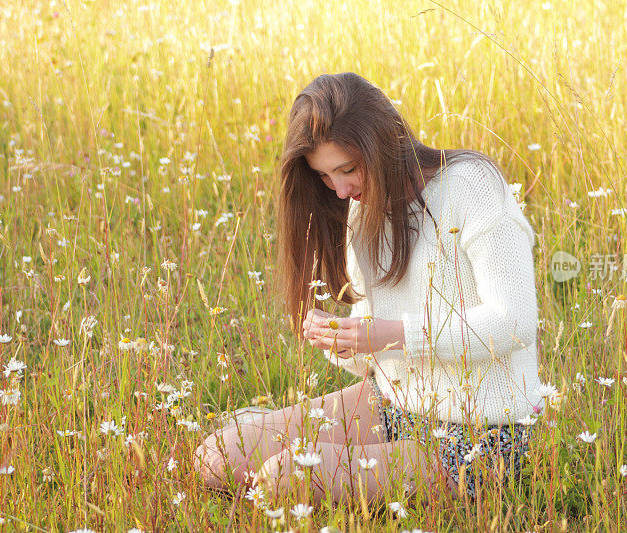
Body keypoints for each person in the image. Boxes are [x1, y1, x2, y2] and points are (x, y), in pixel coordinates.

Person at [193, 72, 542, 507]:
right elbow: (379, 360)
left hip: (481, 435)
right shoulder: (361, 212)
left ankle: (340, 459)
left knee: (285, 478)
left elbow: (515, 323)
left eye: (348, 169)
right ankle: (331, 450)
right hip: (391, 405)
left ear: (382, 144)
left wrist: (388, 333)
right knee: (215, 456)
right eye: (324, 176)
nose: (339, 190)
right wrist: (343, 340)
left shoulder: (472, 186)